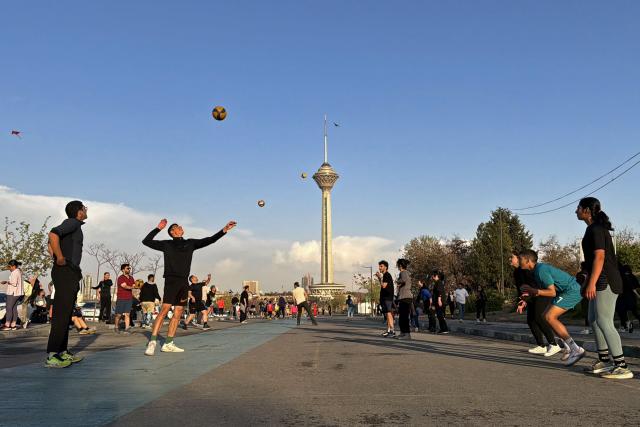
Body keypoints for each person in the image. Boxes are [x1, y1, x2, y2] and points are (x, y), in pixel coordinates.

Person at [143, 218, 236, 356]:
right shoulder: (166, 244)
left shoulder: (190, 243)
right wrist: (158, 228)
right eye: (177, 227)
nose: (181, 227)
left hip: (183, 282)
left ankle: (168, 343)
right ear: (172, 232)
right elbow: (146, 241)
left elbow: (209, 240)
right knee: (164, 310)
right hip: (171, 280)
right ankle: (153, 342)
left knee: (178, 312)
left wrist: (224, 230)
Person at [576, 197, 632, 379]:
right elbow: (592, 262)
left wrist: (592, 282)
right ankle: (605, 361)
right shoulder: (590, 229)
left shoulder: (597, 230)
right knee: (593, 319)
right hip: (598, 279)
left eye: (578, 208)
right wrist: (587, 282)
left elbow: (600, 258)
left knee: (604, 321)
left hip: (606, 279)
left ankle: (622, 366)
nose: (576, 211)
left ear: (586, 210)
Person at [519, 249, 586, 367]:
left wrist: (532, 290)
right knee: (545, 316)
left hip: (571, 290)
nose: (519, 261)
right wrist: (528, 296)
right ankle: (569, 347)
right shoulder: (536, 271)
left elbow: (551, 292)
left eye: (520, 259)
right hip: (565, 292)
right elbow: (544, 291)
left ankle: (576, 349)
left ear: (528, 261)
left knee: (550, 317)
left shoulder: (540, 271)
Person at [45, 200, 87, 368]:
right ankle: (53, 355)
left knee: (67, 313)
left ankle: (62, 352)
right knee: (61, 313)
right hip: (65, 271)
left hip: (71, 272)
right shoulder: (72, 223)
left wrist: (54, 253)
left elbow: (50, 244)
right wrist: (59, 257)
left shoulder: (76, 225)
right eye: (84, 208)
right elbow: (53, 235)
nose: (86, 210)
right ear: (79, 211)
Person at [512, 252, 559, 356]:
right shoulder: (517, 272)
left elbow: (534, 284)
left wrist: (527, 297)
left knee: (539, 318)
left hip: (541, 294)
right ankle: (541, 346)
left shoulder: (528, 270)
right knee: (531, 321)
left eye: (513, 258)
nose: (510, 260)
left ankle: (554, 344)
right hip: (531, 297)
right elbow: (521, 288)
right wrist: (522, 300)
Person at [616, 264, 639, 333]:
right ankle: (629, 324)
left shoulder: (621, 277)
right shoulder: (632, 276)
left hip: (622, 298)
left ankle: (625, 325)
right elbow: (635, 287)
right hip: (631, 297)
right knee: (635, 312)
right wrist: (638, 295)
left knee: (622, 312)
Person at [1, 260, 23, 331]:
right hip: (17, 293)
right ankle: (13, 325)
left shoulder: (15, 272)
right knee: (13, 308)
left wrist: (6, 282)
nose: (9, 268)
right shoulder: (18, 271)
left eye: (9, 266)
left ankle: (7, 325)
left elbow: (14, 283)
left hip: (13, 292)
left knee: (9, 308)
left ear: (13, 266)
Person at [375, 260, 395, 337]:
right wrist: (380, 278)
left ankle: (392, 331)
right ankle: (388, 330)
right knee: (387, 314)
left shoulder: (387, 275)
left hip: (387, 297)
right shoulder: (385, 275)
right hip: (384, 298)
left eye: (381, 266)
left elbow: (383, 286)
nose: (379, 268)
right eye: (379, 266)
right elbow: (383, 285)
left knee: (389, 313)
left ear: (385, 267)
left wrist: (380, 278)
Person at [395, 259, 413, 340]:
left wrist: (397, 281)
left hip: (406, 297)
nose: (397, 266)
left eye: (397, 265)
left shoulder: (403, 272)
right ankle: (403, 333)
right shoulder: (406, 273)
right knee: (402, 316)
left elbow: (404, 280)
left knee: (404, 317)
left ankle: (407, 334)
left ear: (400, 266)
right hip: (403, 297)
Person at [114, 264, 134, 334]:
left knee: (127, 314)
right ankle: (116, 327)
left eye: (129, 268)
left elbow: (134, 285)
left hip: (129, 298)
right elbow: (125, 286)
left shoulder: (131, 278)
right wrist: (132, 287)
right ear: (123, 270)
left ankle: (127, 328)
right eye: (127, 268)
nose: (129, 269)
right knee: (118, 315)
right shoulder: (120, 278)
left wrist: (138, 286)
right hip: (121, 298)